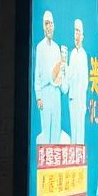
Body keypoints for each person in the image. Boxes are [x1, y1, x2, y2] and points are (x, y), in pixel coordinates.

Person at [34, 10, 64, 144]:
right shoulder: (40, 47)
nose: (49, 27)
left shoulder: (57, 48)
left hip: (56, 92)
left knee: (56, 128)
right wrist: (38, 97)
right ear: (43, 26)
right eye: (46, 24)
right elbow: (37, 73)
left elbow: (59, 72)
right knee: (46, 130)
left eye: (51, 23)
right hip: (45, 92)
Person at [66, 19, 88, 144]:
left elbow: (85, 81)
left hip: (80, 100)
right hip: (72, 98)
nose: (77, 35)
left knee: (80, 132)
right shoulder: (73, 54)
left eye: (79, 32)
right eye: (75, 32)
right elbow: (70, 77)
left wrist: (83, 103)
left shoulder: (83, 55)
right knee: (73, 130)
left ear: (82, 36)